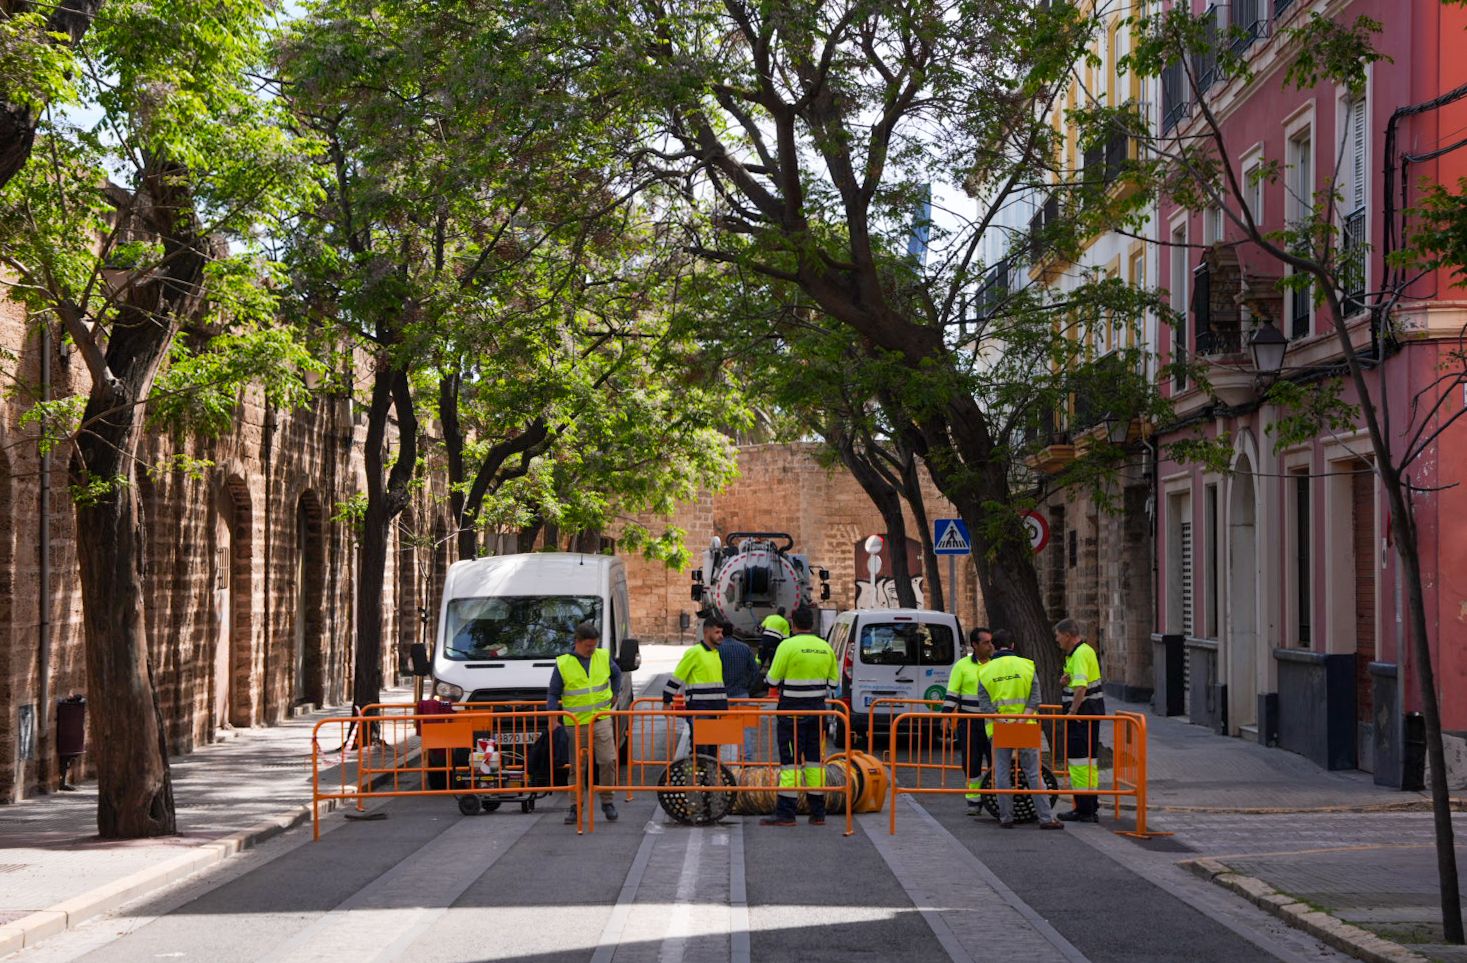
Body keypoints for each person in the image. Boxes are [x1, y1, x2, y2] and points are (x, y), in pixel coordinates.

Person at [761, 606, 838, 827]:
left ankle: (786, 813)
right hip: (817, 712)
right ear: (812, 624)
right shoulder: (825, 647)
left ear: (793, 624)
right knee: (814, 761)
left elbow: (773, 680)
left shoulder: (786, 646)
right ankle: (818, 812)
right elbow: (833, 683)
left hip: (791, 713)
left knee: (790, 763)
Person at [976, 635, 1062, 830]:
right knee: (1033, 772)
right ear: (1013, 645)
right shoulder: (1027, 666)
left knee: (1002, 773)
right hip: (1025, 726)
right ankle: (1046, 818)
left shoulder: (984, 671)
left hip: (1000, 727)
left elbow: (985, 705)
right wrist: (1021, 720)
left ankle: (1006, 818)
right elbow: (1035, 699)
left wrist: (1002, 720)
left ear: (993, 647)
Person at [547, 621, 621, 826]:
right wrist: (553, 718)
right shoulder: (563, 663)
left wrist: (615, 693)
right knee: (577, 767)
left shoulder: (603, 656)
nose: (592, 649)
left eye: (594, 645)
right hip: (575, 723)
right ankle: (575, 806)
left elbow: (616, 675)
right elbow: (553, 693)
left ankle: (607, 801)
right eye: (588, 646)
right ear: (577, 643)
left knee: (607, 761)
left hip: (601, 719)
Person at [1056, 617, 1105, 823]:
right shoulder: (1082, 652)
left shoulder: (1079, 654)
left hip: (1082, 716)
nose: (1057, 640)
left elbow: (1081, 687)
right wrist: (1064, 680)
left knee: (1079, 762)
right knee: (1089, 762)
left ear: (1068, 635)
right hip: (1090, 714)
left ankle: (1083, 808)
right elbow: (1077, 682)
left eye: (1058, 636)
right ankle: (1089, 804)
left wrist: (1072, 712)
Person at [942, 626, 994, 814]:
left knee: (995, 761)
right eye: (986, 642)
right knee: (971, 761)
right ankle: (974, 800)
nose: (990, 646)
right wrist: (946, 715)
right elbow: (953, 692)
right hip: (969, 722)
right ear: (975, 645)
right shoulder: (962, 665)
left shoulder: (996, 664)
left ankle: (994, 797)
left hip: (992, 723)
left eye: (991, 642)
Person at [663, 616, 728, 758]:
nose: (721, 636)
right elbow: (678, 677)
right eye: (717, 632)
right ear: (706, 632)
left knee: (713, 749)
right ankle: (697, 778)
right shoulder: (695, 652)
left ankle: (709, 778)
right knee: (700, 748)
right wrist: (667, 701)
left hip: (715, 708)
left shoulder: (715, 653)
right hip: (700, 708)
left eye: (721, 632)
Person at [718, 622, 760, 760]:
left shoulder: (718, 650)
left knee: (723, 726)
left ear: (721, 632)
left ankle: (727, 758)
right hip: (742, 694)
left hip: (722, 695)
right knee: (744, 726)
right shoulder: (744, 648)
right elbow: (755, 671)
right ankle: (747, 757)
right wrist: (748, 687)